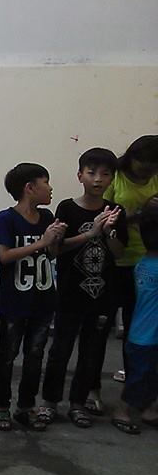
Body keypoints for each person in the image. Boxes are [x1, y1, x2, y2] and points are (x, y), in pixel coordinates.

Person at [41, 148, 126, 427]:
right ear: (80, 176)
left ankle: (78, 404)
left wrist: (109, 232)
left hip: (102, 296)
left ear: (112, 179)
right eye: (91, 173)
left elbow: (119, 253)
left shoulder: (116, 211)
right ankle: (50, 402)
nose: (98, 179)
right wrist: (90, 233)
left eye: (105, 174)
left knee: (91, 353)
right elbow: (55, 250)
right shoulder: (67, 208)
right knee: (60, 350)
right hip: (69, 293)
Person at [0, 163, 66, 432]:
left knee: (35, 356)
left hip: (43, 300)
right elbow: (4, 256)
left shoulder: (46, 216)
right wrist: (42, 242)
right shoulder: (7, 218)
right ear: (29, 188)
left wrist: (54, 240)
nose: (51, 188)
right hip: (15, 301)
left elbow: (52, 254)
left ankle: (25, 406)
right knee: (7, 356)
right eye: (46, 182)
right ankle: (2, 406)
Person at [104, 135, 158, 384]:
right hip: (117, 257)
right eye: (142, 165)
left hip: (148, 258)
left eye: (152, 167)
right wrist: (140, 213)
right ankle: (91, 384)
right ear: (131, 157)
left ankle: (134, 375)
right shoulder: (115, 177)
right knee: (103, 323)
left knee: (138, 324)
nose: (146, 171)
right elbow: (102, 216)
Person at [111, 203, 158, 435]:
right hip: (147, 337)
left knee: (149, 376)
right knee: (139, 378)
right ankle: (122, 411)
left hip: (142, 334)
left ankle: (149, 409)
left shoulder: (143, 264)